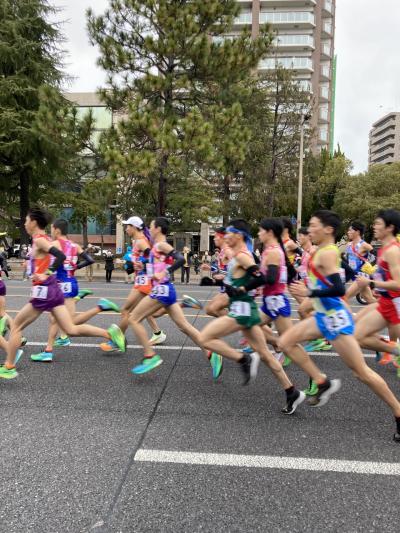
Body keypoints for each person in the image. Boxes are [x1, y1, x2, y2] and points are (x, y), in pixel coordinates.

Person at [280, 209, 400, 441]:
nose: (309, 229)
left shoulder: (328, 253)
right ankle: (322, 382)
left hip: (334, 319)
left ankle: (398, 411)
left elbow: (337, 288)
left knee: (361, 372)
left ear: (328, 230)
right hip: (323, 316)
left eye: (314, 226)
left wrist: (309, 292)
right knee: (285, 341)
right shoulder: (319, 251)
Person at [0, 207, 126, 380]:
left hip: (44, 292)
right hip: (54, 290)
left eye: (26, 220)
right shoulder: (42, 239)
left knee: (16, 326)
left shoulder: (40, 240)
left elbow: (59, 256)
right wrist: (33, 266)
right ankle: (110, 333)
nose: (24, 223)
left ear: (34, 222)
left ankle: (9, 366)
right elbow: (46, 258)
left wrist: (46, 272)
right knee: (70, 329)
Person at [199, 219, 306, 415]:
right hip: (243, 309)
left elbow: (260, 277)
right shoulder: (237, 256)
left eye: (229, 234)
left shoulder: (242, 256)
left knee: (204, 338)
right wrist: (226, 283)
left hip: (241, 311)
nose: (225, 237)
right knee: (265, 354)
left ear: (238, 235)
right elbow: (244, 278)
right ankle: (292, 392)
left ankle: (242, 359)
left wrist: (241, 288)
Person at [128, 217, 222, 377]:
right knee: (183, 326)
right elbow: (160, 264)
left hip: (162, 290)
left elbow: (180, 260)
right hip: (166, 290)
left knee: (133, 319)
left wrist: (163, 273)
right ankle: (211, 352)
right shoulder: (156, 247)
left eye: (151, 226)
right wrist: (142, 266)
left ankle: (150, 356)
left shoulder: (162, 244)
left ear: (157, 229)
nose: (148, 229)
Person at [30, 219, 120, 362]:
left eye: (52, 229)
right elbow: (90, 260)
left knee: (68, 325)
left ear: (57, 230)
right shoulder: (75, 246)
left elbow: (43, 258)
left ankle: (106, 326)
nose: (51, 232)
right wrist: (76, 267)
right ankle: (48, 350)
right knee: (56, 320)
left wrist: (44, 269)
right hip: (72, 282)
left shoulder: (54, 244)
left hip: (60, 284)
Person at [100, 216, 167, 352]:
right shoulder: (138, 241)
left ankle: (118, 341)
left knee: (126, 311)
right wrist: (133, 264)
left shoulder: (141, 242)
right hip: (142, 280)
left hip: (144, 281)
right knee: (146, 312)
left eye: (128, 226)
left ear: (135, 227)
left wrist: (142, 263)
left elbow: (153, 258)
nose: (126, 229)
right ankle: (158, 333)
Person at [355, 209, 400, 374]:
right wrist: (379, 289)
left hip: (395, 304)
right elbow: (388, 278)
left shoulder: (393, 251)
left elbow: (398, 284)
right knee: (356, 336)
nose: (374, 226)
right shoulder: (383, 249)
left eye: (378, 223)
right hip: (386, 302)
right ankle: (395, 349)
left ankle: (395, 350)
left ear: (390, 227)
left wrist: (371, 282)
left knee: (357, 336)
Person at [344, 220, 376, 304]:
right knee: (370, 299)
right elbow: (347, 261)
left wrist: (372, 267)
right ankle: (388, 309)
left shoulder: (364, 245)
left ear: (357, 232)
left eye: (350, 230)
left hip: (361, 276)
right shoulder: (348, 245)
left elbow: (376, 255)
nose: (348, 232)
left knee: (345, 297)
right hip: (354, 276)